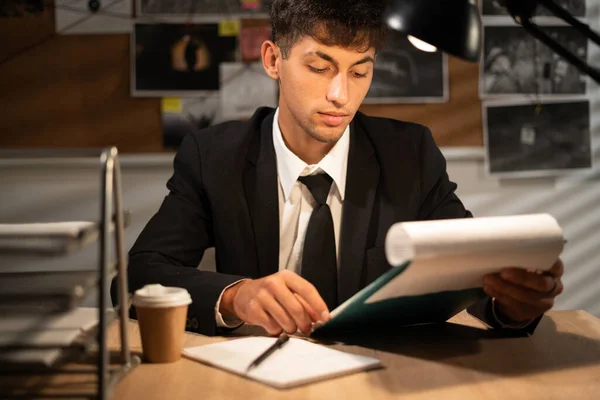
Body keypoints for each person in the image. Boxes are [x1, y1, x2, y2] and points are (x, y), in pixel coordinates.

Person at [120, 0, 564, 337]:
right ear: (274, 60)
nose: (340, 95)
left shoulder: (409, 154)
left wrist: (513, 305)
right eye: (319, 67)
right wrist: (236, 295)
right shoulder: (213, 156)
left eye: (359, 72)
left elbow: (466, 273)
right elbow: (140, 275)